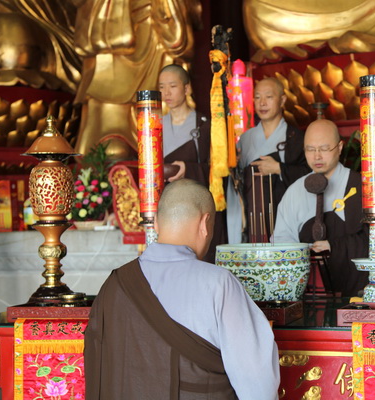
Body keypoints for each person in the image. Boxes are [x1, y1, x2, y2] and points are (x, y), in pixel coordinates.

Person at [85, 179, 280, 399]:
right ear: (205, 224)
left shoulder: (114, 284)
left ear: (156, 223)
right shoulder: (218, 284)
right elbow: (258, 386)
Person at [272, 120, 369, 297]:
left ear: (339, 147)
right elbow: (281, 241)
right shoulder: (295, 191)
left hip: (355, 292)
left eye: (324, 149)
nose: (317, 156)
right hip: (308, 292)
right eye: (310, 149)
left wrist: (333, 246)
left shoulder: (360, 187)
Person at [226, 77, 310, 244]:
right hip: (252, 217)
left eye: (269, 97)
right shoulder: (245, 139)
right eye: (257, 97)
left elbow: (310, 175)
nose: (262, 103)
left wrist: (280, 169)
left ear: (282, 100)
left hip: (283, 215)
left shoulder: (296, 138)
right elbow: (237, 183)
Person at [158, 64, 226, 263]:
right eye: (161, 87)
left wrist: (188, 168)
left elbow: (218, 171)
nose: (166, 93)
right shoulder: (155, 126)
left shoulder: (204, 125)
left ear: (186, 89)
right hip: (167, 203)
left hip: (195, 204)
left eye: (172, 86)